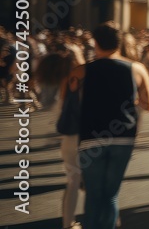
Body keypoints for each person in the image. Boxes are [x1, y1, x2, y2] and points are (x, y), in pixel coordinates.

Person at [70, 22, 149, 229]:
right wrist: (133, 100)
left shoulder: (82, 70)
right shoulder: (137, 68)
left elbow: (67, 94)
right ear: (120, 43)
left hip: (91, 136)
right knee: (110, 194)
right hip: (123, 136)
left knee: (93, 194)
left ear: (95, 43)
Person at [57, 43, 86, 229]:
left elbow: (62, 108)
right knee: (94, 183)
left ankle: (68, 223)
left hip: (68, 138)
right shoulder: (87, 77)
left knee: (72, 182)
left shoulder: (64, 80)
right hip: (86, 138)